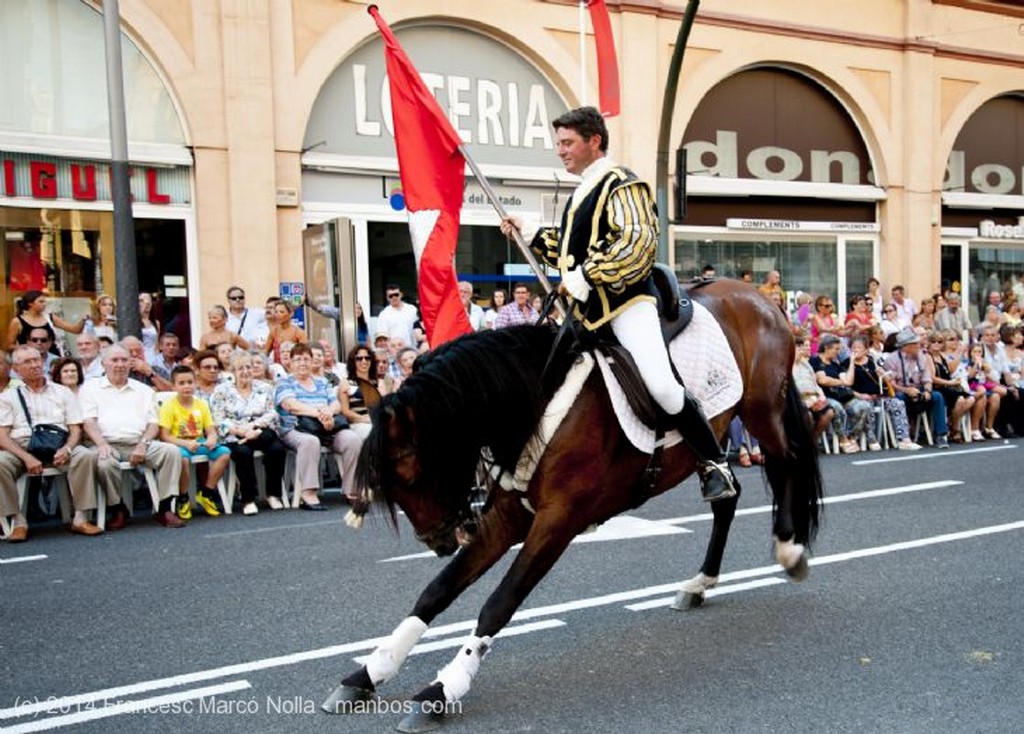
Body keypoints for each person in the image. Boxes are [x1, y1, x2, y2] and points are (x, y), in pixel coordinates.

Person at [499, 106, 734, 501]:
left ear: (594, 141)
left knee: (661, 385)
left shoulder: (623, 185)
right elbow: (571, 254)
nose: (561, 151)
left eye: (568, 142)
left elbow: (635, 243)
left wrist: (584, 277)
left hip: (626, 307)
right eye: (558, 143)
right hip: (587, 316)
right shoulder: (581, 194)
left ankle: (715, 464)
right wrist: (532, 232)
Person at [0, 346, 101, 541]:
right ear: (15, 369)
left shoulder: (62, 392)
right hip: (22, 448)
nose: (34, 365)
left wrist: (68, 447)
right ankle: (18, 521)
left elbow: (75, 429)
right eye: (27, 362)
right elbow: (2, 436)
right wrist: (26, 457)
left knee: (85, 455)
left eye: (36, 360)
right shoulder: (7, 397)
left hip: (59, 446)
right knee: (0, 462)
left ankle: (80, 518)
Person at [79, 345, 184, 528]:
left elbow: (153, 423)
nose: (120, 364)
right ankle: (118, 508)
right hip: (106, 443)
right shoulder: (90, 388)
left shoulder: (144, 390)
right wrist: (102, 443)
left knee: (171, 452)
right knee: (104, 463)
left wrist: (144, 444)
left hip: (139, 442)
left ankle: (165, 507)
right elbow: (88, 421)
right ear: (104, 364)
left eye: (124, 360)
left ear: (131, 363)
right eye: (115, 360)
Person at [275, 343, 362, 509]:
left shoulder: (322, 382)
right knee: (310, 442)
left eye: (306, 359)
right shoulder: (284, 382)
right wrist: (320, 414)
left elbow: (336, 403)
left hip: (326, 427)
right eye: (298, 359)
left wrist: (328, 413)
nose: (302, 363)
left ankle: (352, 489)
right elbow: (291, 405)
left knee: (352, 440)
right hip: (296, 429)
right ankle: (308, 493)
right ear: (290, 363)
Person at [210, 352, 288, 513]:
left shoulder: (265, 387)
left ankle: (273, 494)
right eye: (240, 368)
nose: (245, 371)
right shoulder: (222, 391)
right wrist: (241, 431)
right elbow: (218, 419)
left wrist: (253, 428)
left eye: (248, 367)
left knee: (277, 449)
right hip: (234, 435)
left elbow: (271, 412)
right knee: (243, 452)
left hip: (260, 431)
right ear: (233, 372)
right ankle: (248, 499)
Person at [158, 365, 231, 519]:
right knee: (182, 459)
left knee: (224, 453)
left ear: (196, 383)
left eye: (190, 382)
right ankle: (183, 498)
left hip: (199, 442)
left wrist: (211, 439)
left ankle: (206, 492)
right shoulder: (169, 405)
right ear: (174, 386)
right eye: (182, 383)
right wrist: (185, 444)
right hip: (179, 444)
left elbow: (210, 430)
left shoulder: (201, 404)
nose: (187, 386)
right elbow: (164, 436)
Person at [848, 335, 920, 450]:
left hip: (879, 395)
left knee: (898, 403)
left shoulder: (872, 361)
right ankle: (872, 439)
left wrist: (883, 374)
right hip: (861, 397)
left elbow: (887, 379)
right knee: (867, 407)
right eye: (853, 347)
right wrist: (861, 395)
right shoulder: (847, 364)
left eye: (859, 347)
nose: (856, 350)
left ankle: (904, 439)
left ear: (866, 350)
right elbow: (847, 385)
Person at [883, 327, 949, 449]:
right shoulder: (892, 360)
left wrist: (928, 390)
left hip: (920, 390)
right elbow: (890, 383)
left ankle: (941, 435)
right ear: (906, 346)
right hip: (902, 391)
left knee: (937, 396)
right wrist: (907, 390)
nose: (919, 346)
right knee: (899, 398)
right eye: (916, 344)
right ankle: (905, 435)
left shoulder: (921, 357)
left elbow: (927, 378)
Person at [810, 334, 869, 453]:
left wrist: (852, 362)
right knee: (836, 407)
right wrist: (841, 382)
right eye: (836, 349)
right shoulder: (815, 361)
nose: (838, 352)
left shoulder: (835, 364)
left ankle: (852, 438)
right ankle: (843, 439)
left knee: (864, 406)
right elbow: (823, 380)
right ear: (826, 348)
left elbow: (849, 381)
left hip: (843, 396)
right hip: (826, 397)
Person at [6, 290, 85, 354]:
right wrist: (26, 347)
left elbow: (75, 330)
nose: (44, 304)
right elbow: (9, 346)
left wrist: (83, 320)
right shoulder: (17, 321)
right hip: (30, 358)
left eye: (45, 301)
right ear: (30, 304)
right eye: (41, 302)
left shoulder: (50, 317)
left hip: (52, 357)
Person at [791, 336, 839, 440]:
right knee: (808, 417)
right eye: (798, 348)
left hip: (813, 398)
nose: (801, 351)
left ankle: (813, 440)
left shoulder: (806, 365)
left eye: (801, 348)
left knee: (829, 413)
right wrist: (806, 401)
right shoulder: (787, 366)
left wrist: (821, 397)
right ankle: (805, 443)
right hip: (799, 401)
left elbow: (815, 384)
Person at [338, 346, 380, 440]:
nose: (364, 361)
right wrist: (365, 419)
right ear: (353, 362)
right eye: (359, 359)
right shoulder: (346, 383)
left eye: (367, 358)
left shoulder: (378, 383)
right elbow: (345, 411)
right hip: (358, 424)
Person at [375, 284, 419, 349]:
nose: (394, 297)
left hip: (413, 350)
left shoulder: (412, 310)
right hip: (395, 352)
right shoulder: (384, 314)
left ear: (401, 294)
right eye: (390, 296)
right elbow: (382, 337)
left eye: (396, 294)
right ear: (387, 298)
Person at [138, 292, 162, 363]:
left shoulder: (156, 323)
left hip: (153, 357)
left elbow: (156, 344)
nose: (147, 303)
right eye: (142, 301)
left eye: (149, 300)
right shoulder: (135, 322)